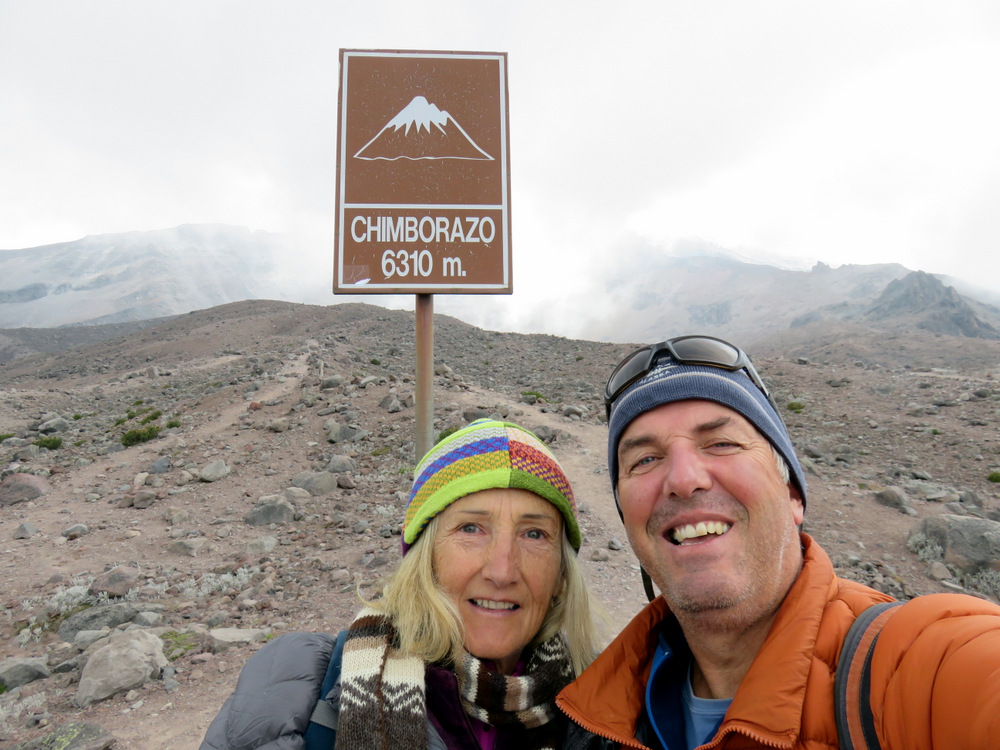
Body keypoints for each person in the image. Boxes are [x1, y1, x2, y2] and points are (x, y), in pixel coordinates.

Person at [557, 334, 1000, 749]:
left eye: (722, 443)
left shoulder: (923, 665)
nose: (684, 479)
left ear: (793, 494)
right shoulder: (594, 711)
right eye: (645, 459)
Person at [201, 418, 604, 750]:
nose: (502, 571)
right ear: (423, 558)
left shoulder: (609, 709)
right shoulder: (296, 683)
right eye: (471, 528)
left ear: (561, 575)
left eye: (534, 534)